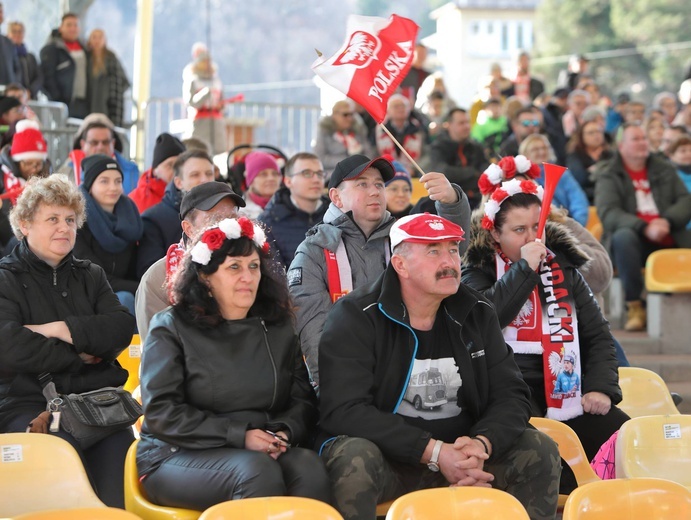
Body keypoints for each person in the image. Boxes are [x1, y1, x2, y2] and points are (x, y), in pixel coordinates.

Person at [318, 212, 561, 520]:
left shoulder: (477, 310)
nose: (449, 261)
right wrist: (433, 452)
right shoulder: (356, 315)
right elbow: (343, 409)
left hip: (465, 454)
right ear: (400, 264)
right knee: (353, 458)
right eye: (433, 251)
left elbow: (511, 393)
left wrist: (480, 444)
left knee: (538, 448)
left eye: (451, 249)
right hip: (390, 459)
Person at [137, 216, 330, 511]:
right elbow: (163, 412)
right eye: (234, 268)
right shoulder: (172, 326)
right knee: (255, 471)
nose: (247, 277)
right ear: (205, 277)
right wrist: (240, 436)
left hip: (259, 446)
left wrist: (284, 432)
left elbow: (302, 399)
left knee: (309, 466)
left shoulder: (277, 326)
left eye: (254, 267)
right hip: (176, 453)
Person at [461, 178, 629, 488]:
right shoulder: (476, 270)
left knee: (624, 435)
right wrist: (525, 269)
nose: (532, 237)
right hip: (508, 394)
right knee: (542, 448)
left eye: (536, 226)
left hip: (566, 388)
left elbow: (598, 335)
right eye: (519, 230)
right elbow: (487, 316)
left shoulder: (564, 269)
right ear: (495, 234)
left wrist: (600, 387)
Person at [0, 174, 136, 507]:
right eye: (53, 219)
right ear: (25, 225)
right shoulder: (5, 277)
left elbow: (120, 329)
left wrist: (60, 329)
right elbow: (9, 348)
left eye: (71, 220)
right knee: (60, 458)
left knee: (120, 464)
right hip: (29, 402)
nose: (64, 227)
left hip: (95, 402)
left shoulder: (92, 274)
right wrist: (80, 354)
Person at [288, 154, 470, 392]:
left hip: (412, 379)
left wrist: (451, 202)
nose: (374, 191)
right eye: (362, 184)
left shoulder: (403, 240)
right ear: (336, 197)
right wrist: (338, 394)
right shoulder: (313, 251)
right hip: (346, 385)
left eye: (379, 184)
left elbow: (449, 261)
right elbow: (314, 334)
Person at [594, 123, 691, 331]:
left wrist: (667, 221)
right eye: (636, 139)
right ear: (622, 146)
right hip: (634, 238)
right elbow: (608, 213)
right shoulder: (609, 174)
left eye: (644, 138)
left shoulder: (664, 168)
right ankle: (635, 305)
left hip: (669, 232)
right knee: (623, 237)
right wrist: (643, 226)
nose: (642, 143)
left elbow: (685, 200)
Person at [135, 181, 244, 341]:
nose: (226, 227)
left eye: (233, 219)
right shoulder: (158, 279)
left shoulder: (251, 267)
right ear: (189, 229)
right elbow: (158, 351)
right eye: (215, 220)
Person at [73, 154, 142, 316]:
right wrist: (142, 286)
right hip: (86, 294)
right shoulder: (76, 222)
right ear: (90, 186)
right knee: (125, 299)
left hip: (122, 290)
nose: (113, 187)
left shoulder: (130, 219)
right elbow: (94, 276)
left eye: (118, 181)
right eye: (104, 181)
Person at [137, 149, 215, 277]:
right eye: (195, 175)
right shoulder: (154, 219)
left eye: (209, 173)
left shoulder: (226, 214)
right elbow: (150, 274)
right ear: (179, 183)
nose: (204, 180)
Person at [258, 152, 329, 269]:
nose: (316, 179)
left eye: (320, 174)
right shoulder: (268, 222)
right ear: (288, 181)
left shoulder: (336, 216)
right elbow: (274, 276)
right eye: (307, 174)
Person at [58, 114, 140, 195]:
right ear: (82, 144)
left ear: (113, 143)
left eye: (105, 142)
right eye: (94, 142)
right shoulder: (66, 173)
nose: (100, 147)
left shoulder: (132, 171)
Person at [0, 120, 50, 251]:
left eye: (38, 164)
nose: (34, 169)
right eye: (28, 163)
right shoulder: (2, 175)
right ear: (16, 161)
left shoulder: (47, 176)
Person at [519, 133, 589, 226]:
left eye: (544, 148)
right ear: (525, 155)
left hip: (568, 223)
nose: (541, 152)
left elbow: (578, 198)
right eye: (535, 149)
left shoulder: (562, 174)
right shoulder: (522, 179)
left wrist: (577, 223)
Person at [426, 107, 489, 209]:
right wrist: (472, 173)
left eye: (468, 122)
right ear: (449, 125)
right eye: (461, 123)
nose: (467, 126)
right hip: (451, 204)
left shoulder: (476, 146)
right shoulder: (438, 147)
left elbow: (486, 171)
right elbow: (443, 172)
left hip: (479, 200)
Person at [40, 13, 89, 118]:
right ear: (61, 28)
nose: (72, 28)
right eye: (69, 25)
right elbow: (47, 77)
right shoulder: (52, 49)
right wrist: (57, 99)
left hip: (84, 104)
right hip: (63, 104)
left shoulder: (85, 50)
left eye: (75, 25)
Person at [182, 42, 225, 155]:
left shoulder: (216, 81)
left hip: (216, 123)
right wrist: (205, 93)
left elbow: (222, 101)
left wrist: (221, 106)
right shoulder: (193, 80)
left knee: (218, 152)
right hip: (200, 122)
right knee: (198, 150)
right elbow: (190, 101)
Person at [313, 99, 374, 179]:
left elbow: (369, 153)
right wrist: (347, 162)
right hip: (332, 173)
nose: (349, 118)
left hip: (358, 171)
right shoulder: (325, 132)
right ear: (334, 115)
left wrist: (359, 163)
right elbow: (320, 158)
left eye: (351, 115)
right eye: (345, 115)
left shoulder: (358, 130)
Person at [129, 133, 186, 213]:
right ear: (155, 170)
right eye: (169, 165)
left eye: (180, 165)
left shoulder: (191, 194)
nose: (176, 170)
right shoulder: (135, 201)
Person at [375, 94, 428, 177]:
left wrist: (414, 169)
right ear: (388, 110)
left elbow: (427, 153)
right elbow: (373, 152)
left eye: (403, 106)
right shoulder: (380, 129)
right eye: (396, 106)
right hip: (385, 175)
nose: (400, 109)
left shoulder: (419, 128)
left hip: (414, 175)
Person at [86, 29, 130, 128]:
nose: (97, 40)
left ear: (105, 40)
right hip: (89, 108)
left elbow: (121, 84)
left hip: (108, 107)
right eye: (94, 37)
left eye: (100, 37)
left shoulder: (112, 59)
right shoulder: (86, 59)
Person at [566, 120, 613, 203]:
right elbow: (581, 179)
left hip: (610, 196)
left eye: (598, 131)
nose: (596, 135)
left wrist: (594, 170)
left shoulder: (610, 154)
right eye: (591, 133)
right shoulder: (575, 156)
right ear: (582, 136)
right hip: (587, 199)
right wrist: (603, 169)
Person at [241, 151, 283, 220]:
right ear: (251, 181)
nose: (271, 178)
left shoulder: (294, 207)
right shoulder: (239, 213)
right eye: (263, 174)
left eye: (275, 173)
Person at [7, 21, 42, 99]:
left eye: (20, 31)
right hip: (12, 97)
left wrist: (30, 92)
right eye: (14, 31)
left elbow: (39, 77)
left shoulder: (30, 57)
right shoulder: (6, 57)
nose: (17, 34)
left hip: (31, 97)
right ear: (8, 34)